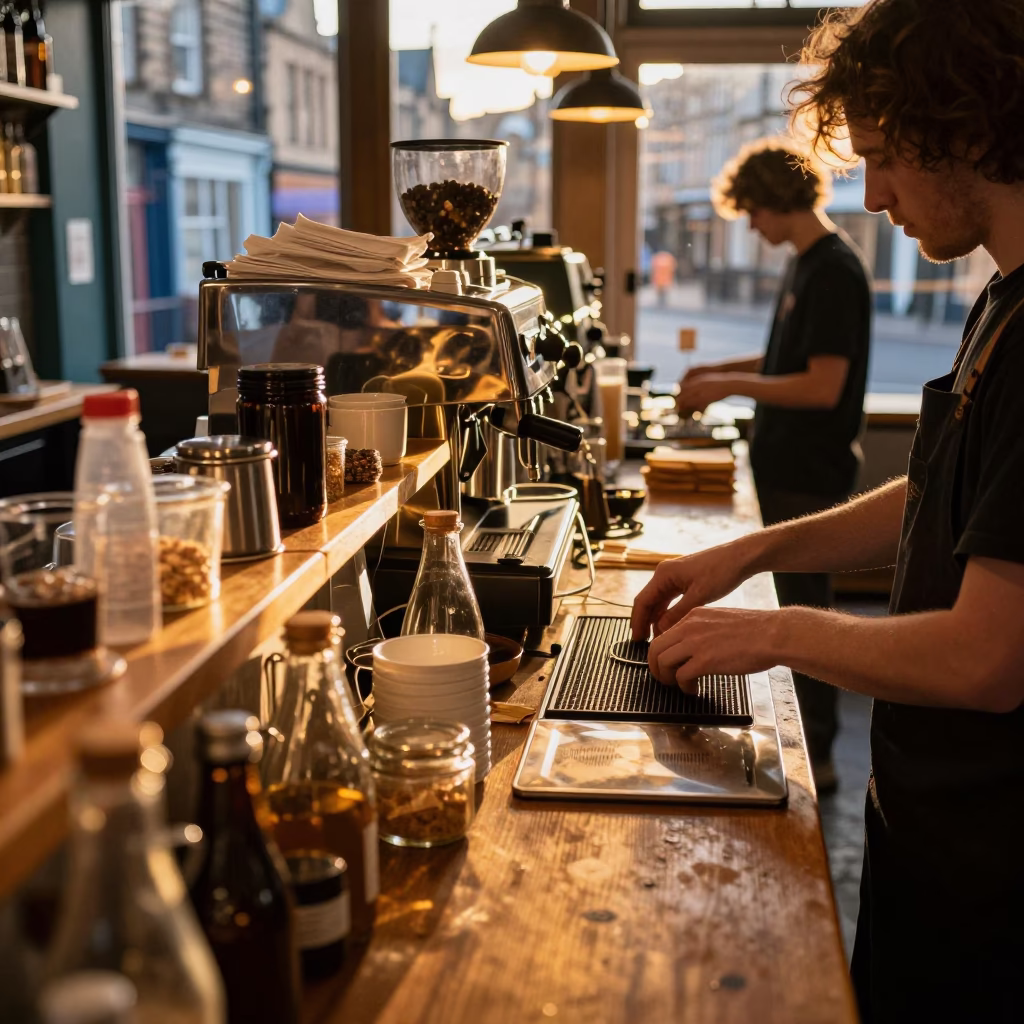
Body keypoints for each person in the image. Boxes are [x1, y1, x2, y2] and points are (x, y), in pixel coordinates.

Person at [631, 1, 1024, 1020]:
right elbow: (937, 495)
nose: (875, 192)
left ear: (972, 129)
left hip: (995, 850)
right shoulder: (1001, 302)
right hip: (932, 817)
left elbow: (985, 660)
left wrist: (776, 629)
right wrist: (748, 554)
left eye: (888, 155)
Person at [675, 138, 872, 792]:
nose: (751, 226)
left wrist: (729, 389)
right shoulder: (804, 263)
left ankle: (815, 765)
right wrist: (716, 372)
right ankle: (806, 748)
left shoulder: (836, 270)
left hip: (810, 473)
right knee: (794, 607)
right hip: (783, 464)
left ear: (778, 199)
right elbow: (782, 362)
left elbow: (820, 386)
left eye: (753, 211)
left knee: (803, 617)